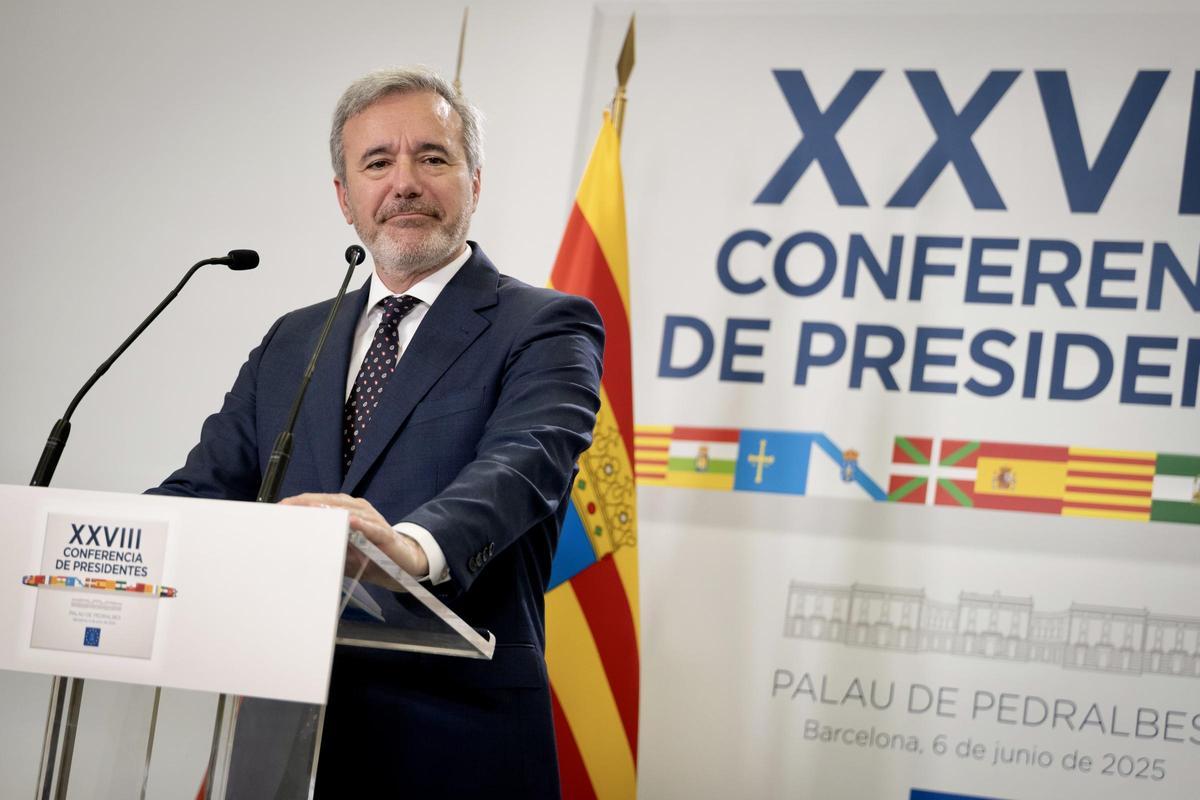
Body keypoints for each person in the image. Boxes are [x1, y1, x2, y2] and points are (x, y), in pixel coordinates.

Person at [150, 66, 604, 797]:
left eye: (432, 157)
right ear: (344, 198)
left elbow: (524, 466)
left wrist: (410, 546)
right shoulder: (293, 341)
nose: (406, 183)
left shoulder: (545, 326)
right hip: (279, 731)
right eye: (377, 163)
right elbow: (205, 486)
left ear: (475, 183)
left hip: (454, 735)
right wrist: (126, 538)